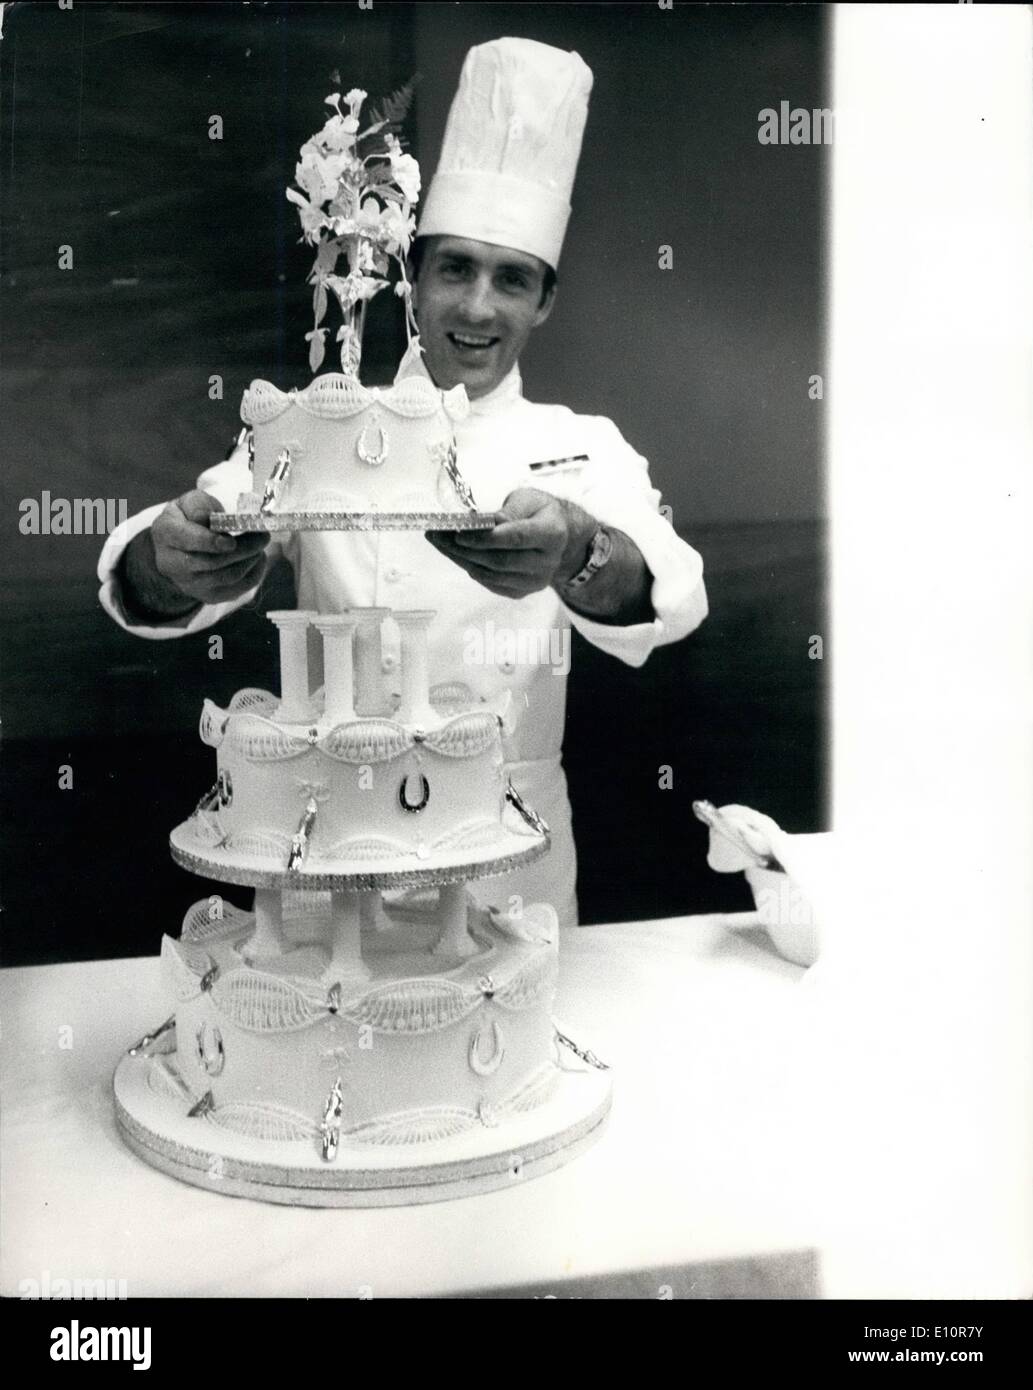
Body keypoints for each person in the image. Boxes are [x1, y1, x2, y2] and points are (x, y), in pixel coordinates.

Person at [97, 37, 708, 928]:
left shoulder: (582, 445)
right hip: (328, 854)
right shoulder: (328, 422)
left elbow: (670, 597)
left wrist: (577, 546)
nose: (476, 307)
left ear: (543, 301)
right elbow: (185, 543)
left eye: (512, 280)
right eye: (453, 267)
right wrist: (167, 556)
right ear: (410, 280)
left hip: (512, 857)